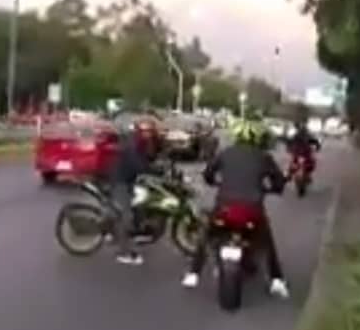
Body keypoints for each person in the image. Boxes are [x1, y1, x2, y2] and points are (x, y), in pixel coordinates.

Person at [182, 119, 290, 298]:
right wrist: (272, 189)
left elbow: (208, 174)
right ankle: (276, 279)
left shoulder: (225, 153)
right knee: (266, 241)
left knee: (207, 234)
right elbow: (278, 182)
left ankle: (193, 274)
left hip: (224, 207)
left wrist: (216, 182)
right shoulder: (263, 157)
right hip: (252, 210)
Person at [109, 119, 162, 266]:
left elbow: (150, 158)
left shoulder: (143, 144)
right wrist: (156, 171)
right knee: (126, 216)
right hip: (120, 181)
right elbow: (139, 166)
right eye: (144, 131)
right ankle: (123, 253)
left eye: (150, 131)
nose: (147, 134)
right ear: (138, 131)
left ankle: (138, 232)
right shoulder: (133, 145)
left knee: (142, 203)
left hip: (130, 181)